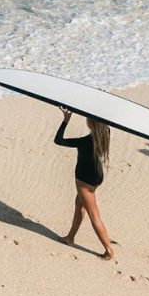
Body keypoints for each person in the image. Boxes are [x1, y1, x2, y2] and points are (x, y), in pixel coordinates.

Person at [54, 107, 115, 259]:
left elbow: (58, 140)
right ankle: (70, 237)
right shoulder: (105, 133)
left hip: (85, 181)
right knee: (79, 205)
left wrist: (66, 120)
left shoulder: (85, 142)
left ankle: (109, 250)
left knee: (94, 215)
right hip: (96, 176)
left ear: (90, 124)